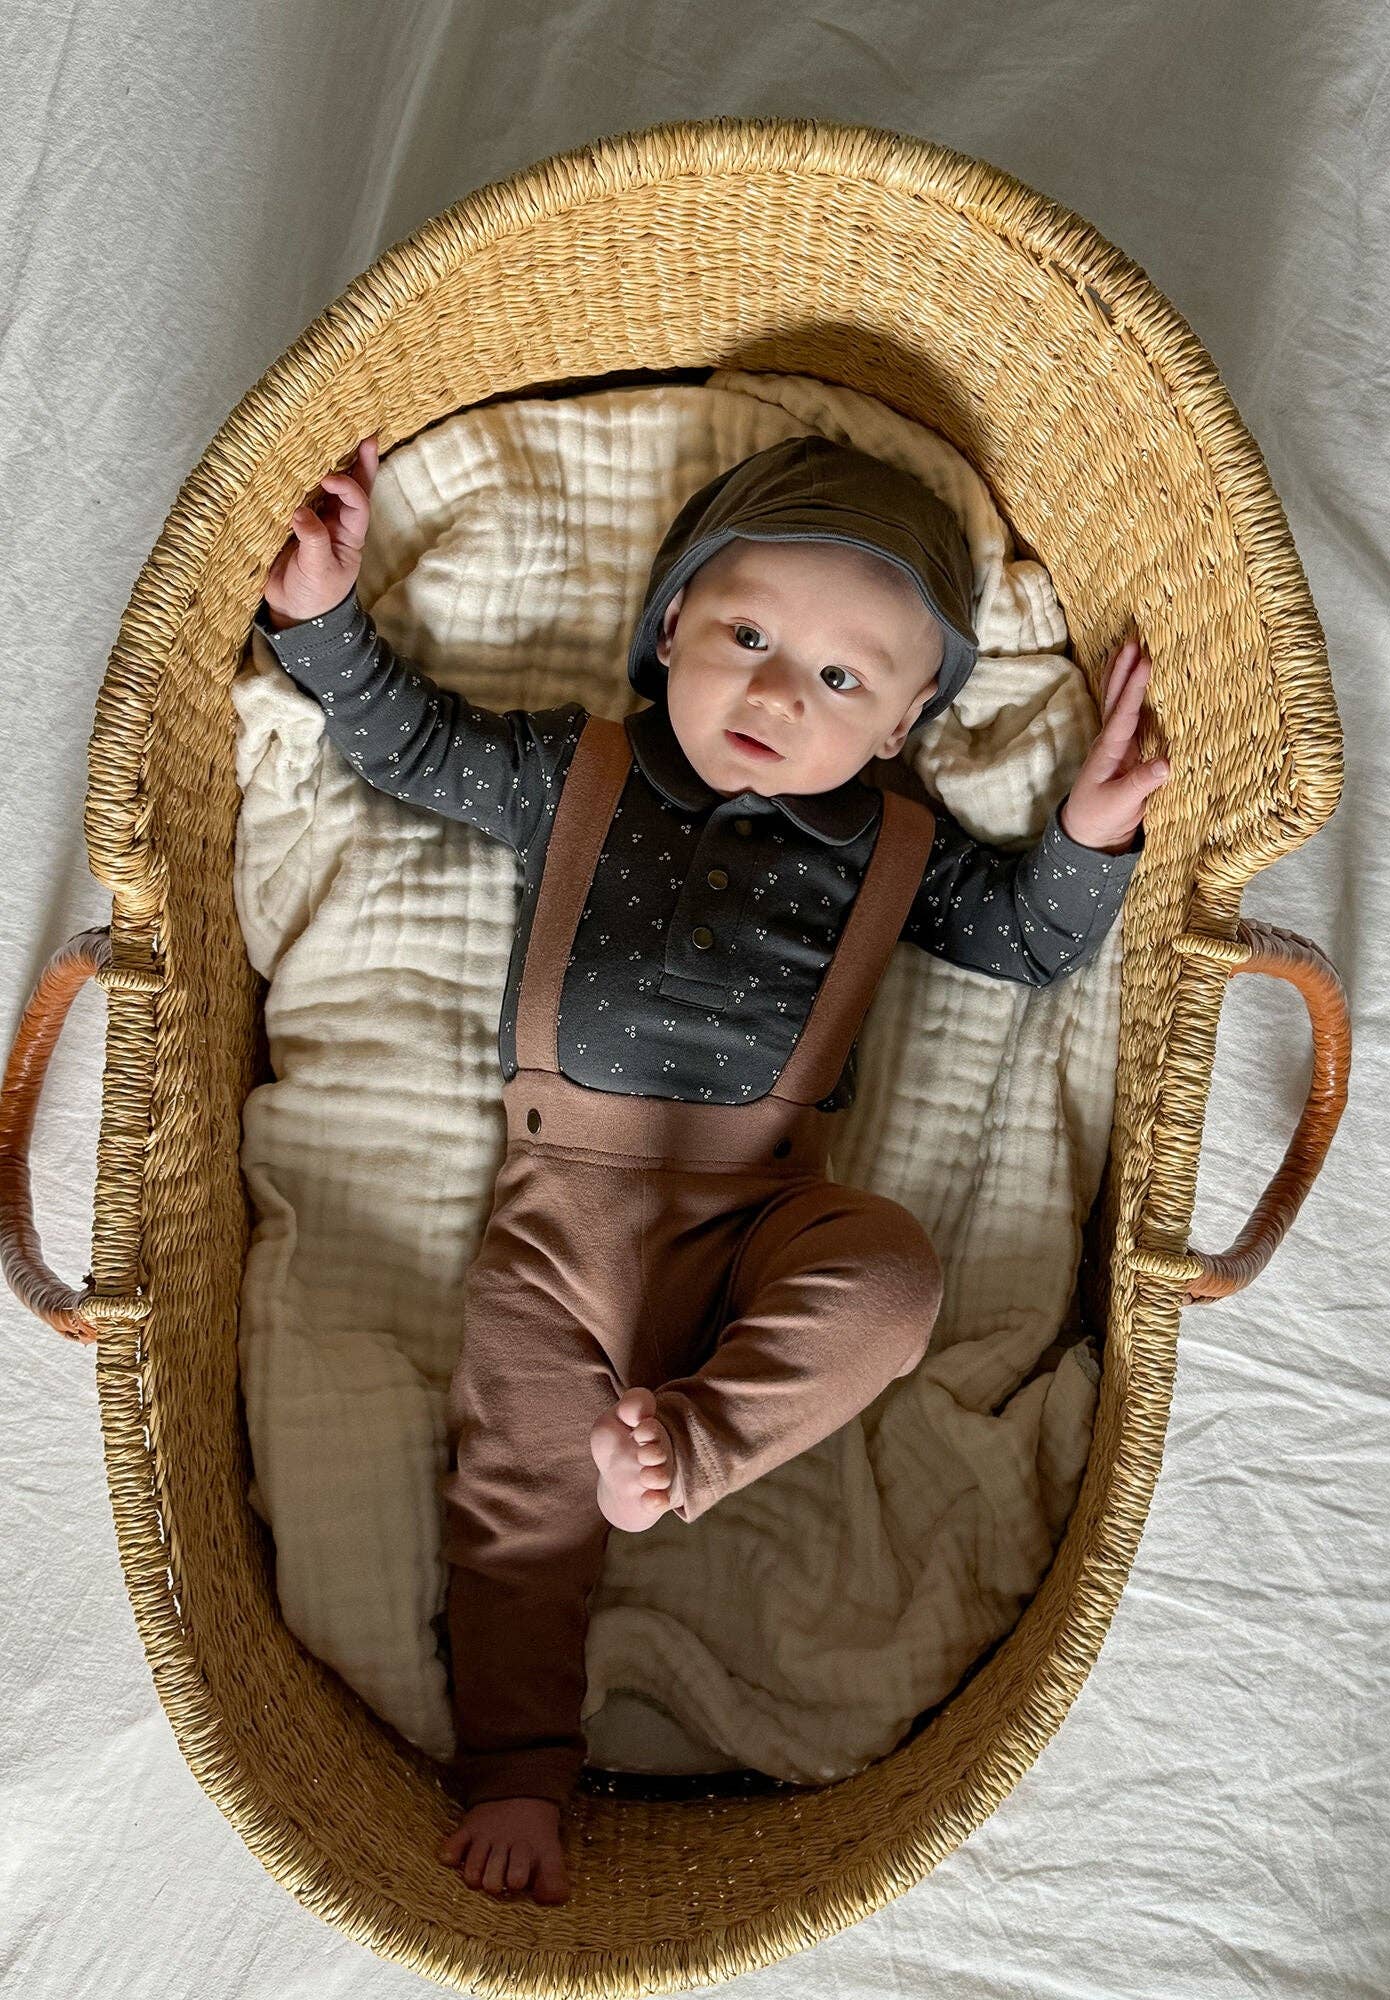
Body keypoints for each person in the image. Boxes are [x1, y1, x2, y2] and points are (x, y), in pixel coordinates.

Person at [253, 427, 1171, 1907]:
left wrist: (1086, 833)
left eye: (839, 679)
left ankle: (696, 1446)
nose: (771, 690)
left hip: (766, 1217)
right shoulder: (580, 769)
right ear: (669, 623)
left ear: (899, 727)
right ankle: (522, 1771)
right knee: (519, 1494)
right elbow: (413, 745)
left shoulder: (897, 847)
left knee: (892, 1281)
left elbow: (1028, 942)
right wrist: (320, 619)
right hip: (567, 1223)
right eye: (745, 632)